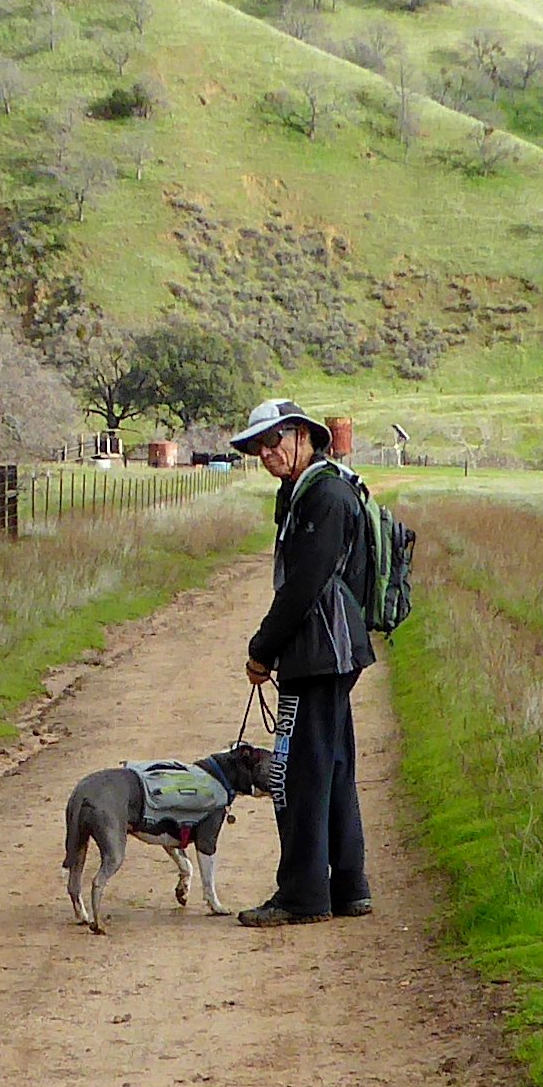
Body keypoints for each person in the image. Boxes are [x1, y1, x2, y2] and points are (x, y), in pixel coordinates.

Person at [228, 397, 373, 926]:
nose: (266, 453)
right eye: (257, 447)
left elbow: (305, 586)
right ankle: (349, 888)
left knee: (293, 775)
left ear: (304, 437)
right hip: (331, 649)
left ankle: (302, 896)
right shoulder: (308, 490)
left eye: (273, 441)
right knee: (331, 767)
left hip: (320, 651)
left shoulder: (325, 494)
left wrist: (262, 648)